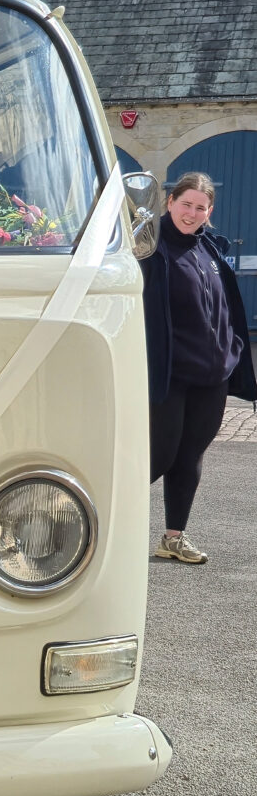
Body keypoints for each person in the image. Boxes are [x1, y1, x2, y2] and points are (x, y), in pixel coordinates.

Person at [141, 169, 256, 564]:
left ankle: (173, 538)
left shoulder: (210, 249)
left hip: (212, 376)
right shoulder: (149, 250)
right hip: (171, 374)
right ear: (169, 202)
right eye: (186, 204)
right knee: (160, 454)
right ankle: (100, 521)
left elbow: (225, 307)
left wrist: (233, 349)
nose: (192, 213)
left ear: (210, 212)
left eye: (201, 208)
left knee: (191, 455)